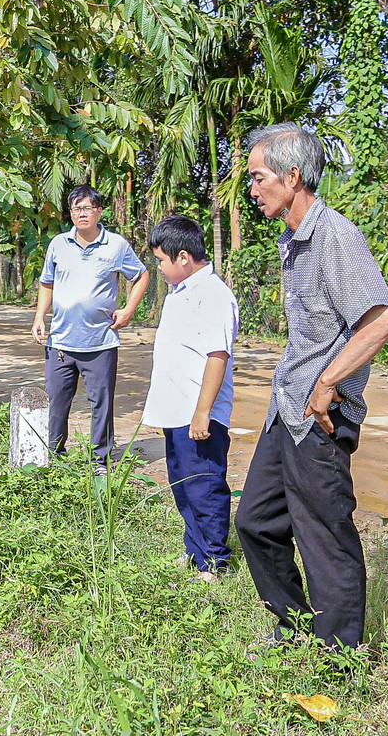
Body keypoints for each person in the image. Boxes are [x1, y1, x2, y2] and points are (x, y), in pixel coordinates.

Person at [233, 123, 388, 654]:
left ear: (293, 175)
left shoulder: (335, 237)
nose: (252, 188)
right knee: (256, 521)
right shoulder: (293, 240)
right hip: (289, 408)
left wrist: (329, 383)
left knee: (324, 535)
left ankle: (340, 657)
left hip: (321, 413)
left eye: (258, 178)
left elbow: (384, 319)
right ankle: (295, 627)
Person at [140, 215, 238, 582]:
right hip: (176, 410)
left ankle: (214, 561)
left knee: (205, 486)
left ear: (183, 257)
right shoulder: (181, 293)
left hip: (198, 413)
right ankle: (194, 549)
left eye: (162, 261)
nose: (160, 268)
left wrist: (203, 413)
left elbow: (217, 355)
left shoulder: (214, 295)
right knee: (183, 482)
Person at [32, 185, 150, 474]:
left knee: (102, 405)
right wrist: (39, 317)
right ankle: (55, 456)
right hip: (60, 341)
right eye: (75, 208)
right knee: (56, 403)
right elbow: (47, 283)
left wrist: (128, 310)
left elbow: (142, 275)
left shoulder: (116, 245)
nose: (81, 213)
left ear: (99, 211)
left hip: (100, 342)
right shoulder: (58, 244)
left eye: (86, 208)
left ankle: (101, 461)